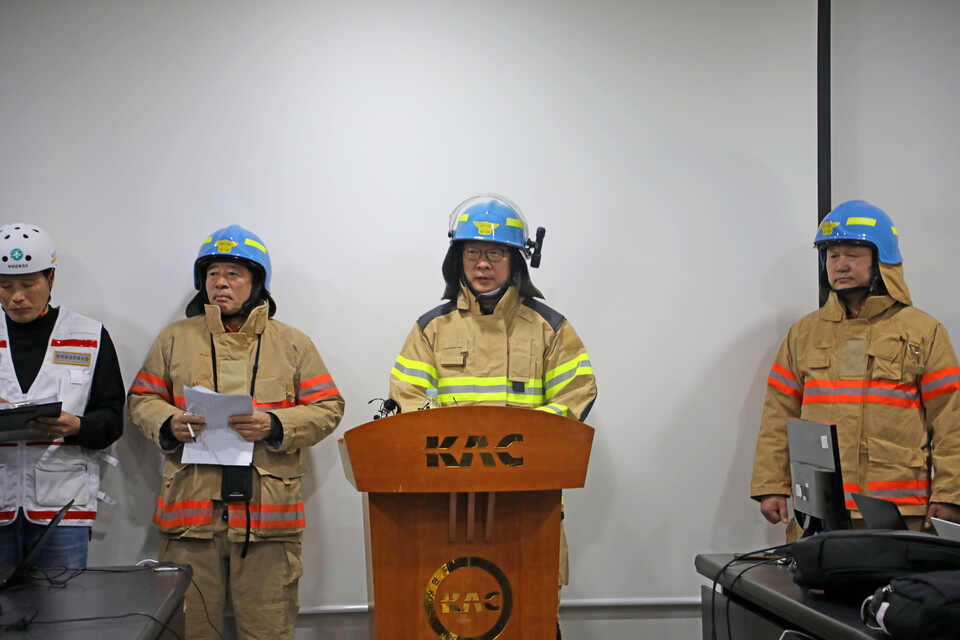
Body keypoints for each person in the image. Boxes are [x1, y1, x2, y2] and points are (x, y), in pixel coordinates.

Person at [388, 195, 597, 638]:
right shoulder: (430, 328)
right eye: (473, 252)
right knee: (451, 613)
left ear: (517, 260)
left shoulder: (549, 327)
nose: (483, 263)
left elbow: (576, 394)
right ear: (457, 260)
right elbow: (408, 398)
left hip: (528, 502)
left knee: (529, 616)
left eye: (496, 252)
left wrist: (520, 446)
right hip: (446, 505)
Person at [128, 225, 344, 640]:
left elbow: (328, 407)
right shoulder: (174, 339)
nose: (221, 283)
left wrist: (275, 423)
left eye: (233, 274)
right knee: (188, 629)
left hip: (268, 522)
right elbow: (141, 399)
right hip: (190, 519)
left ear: (257, 282)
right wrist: (169, 422)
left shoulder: (293, 344)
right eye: (212, 274)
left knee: (268, 630)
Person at [751, 200, 960, 541]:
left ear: (882, 260)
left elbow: (952, 419)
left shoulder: (923, 332)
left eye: (853, 254)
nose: (841, 264)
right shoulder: (803, 334)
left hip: (897, 515)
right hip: (819, 512)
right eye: (832, 255)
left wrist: (950, 494)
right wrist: (772, 484)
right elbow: (778, 413)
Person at [0, 223, 124, 568]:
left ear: (51, 279)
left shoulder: (89, 336)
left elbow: (112, 418)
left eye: (28, 284)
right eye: (5, 285)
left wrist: (77, 426)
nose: (17, 296)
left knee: (64, 603)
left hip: (63, 511)